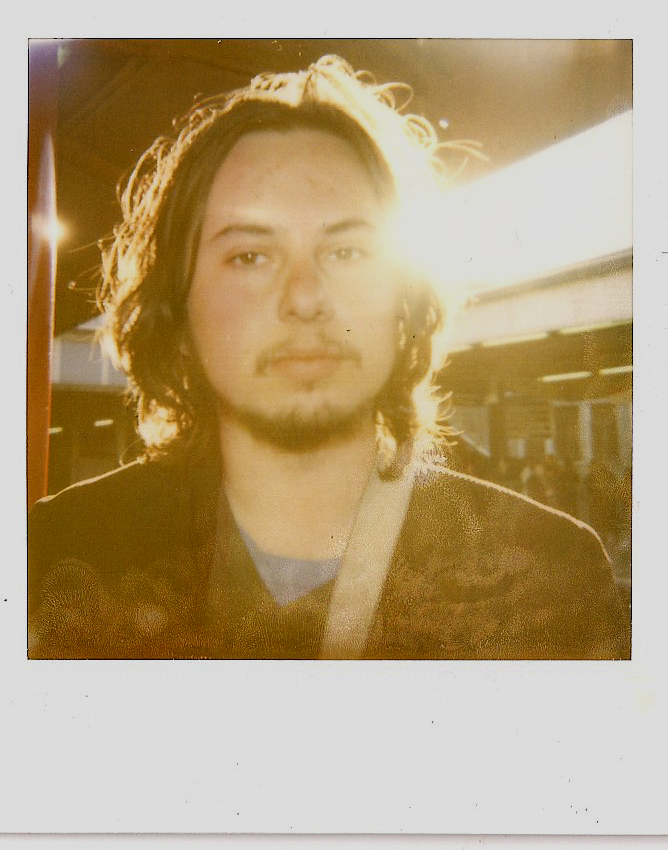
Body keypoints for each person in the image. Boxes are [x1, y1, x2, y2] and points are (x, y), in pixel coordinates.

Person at [28, 56, 629, 660]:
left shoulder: (552, 579)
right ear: (178, 309)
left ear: (405, 299)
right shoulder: (55, 558)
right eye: (249, 257)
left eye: (347, 252)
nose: (305, 297)